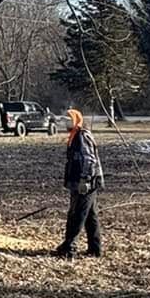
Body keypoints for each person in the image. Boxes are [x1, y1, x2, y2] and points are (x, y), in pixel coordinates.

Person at [54, 106, 104, 258]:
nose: (65, 123)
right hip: (82, 182)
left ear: (76, 120)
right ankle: (95, 249)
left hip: (86, 183)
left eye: (68, 120)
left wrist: (84, 180)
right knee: (90, 216)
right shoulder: (75, 135)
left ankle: (69, 247)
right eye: (65, 120)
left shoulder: (82, 136)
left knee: (77, 215)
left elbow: (89, 160)